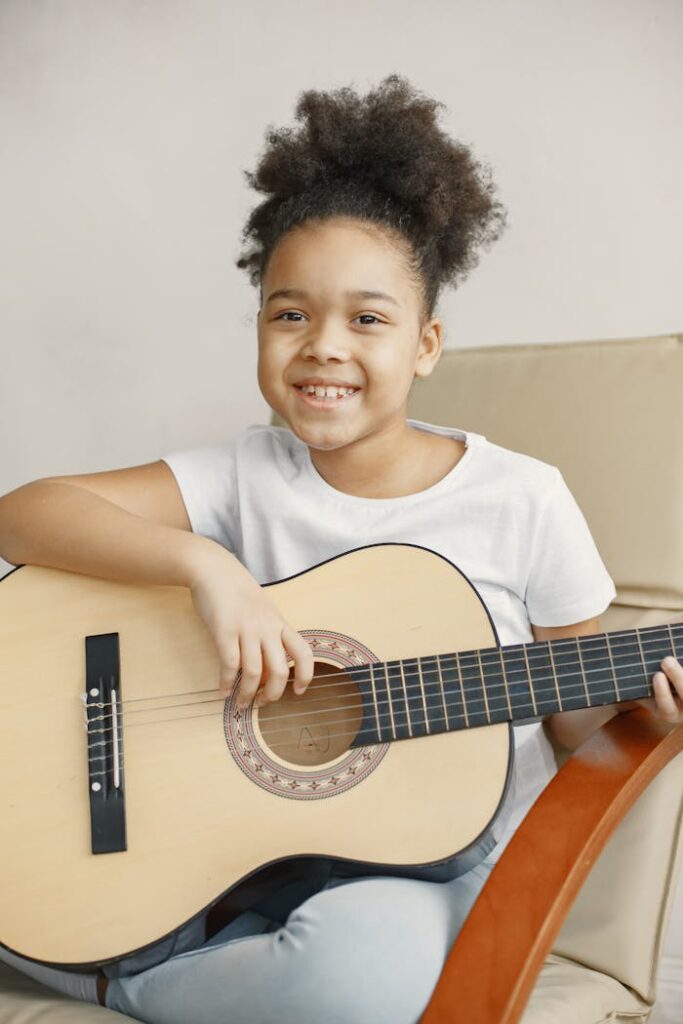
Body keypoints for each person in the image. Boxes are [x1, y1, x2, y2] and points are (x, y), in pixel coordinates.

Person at [0, 73, 681, 1024]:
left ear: (426, 345)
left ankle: (116, 970)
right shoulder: (247, 474)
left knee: (357, 985)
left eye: (366, 318)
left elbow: (573, 722)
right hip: (230, 836)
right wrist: (208, 567)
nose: (323, 345)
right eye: (290, 313)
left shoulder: (521, 499)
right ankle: (114, 925)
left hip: (429, 855)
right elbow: (23, 513)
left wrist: (645, 707)